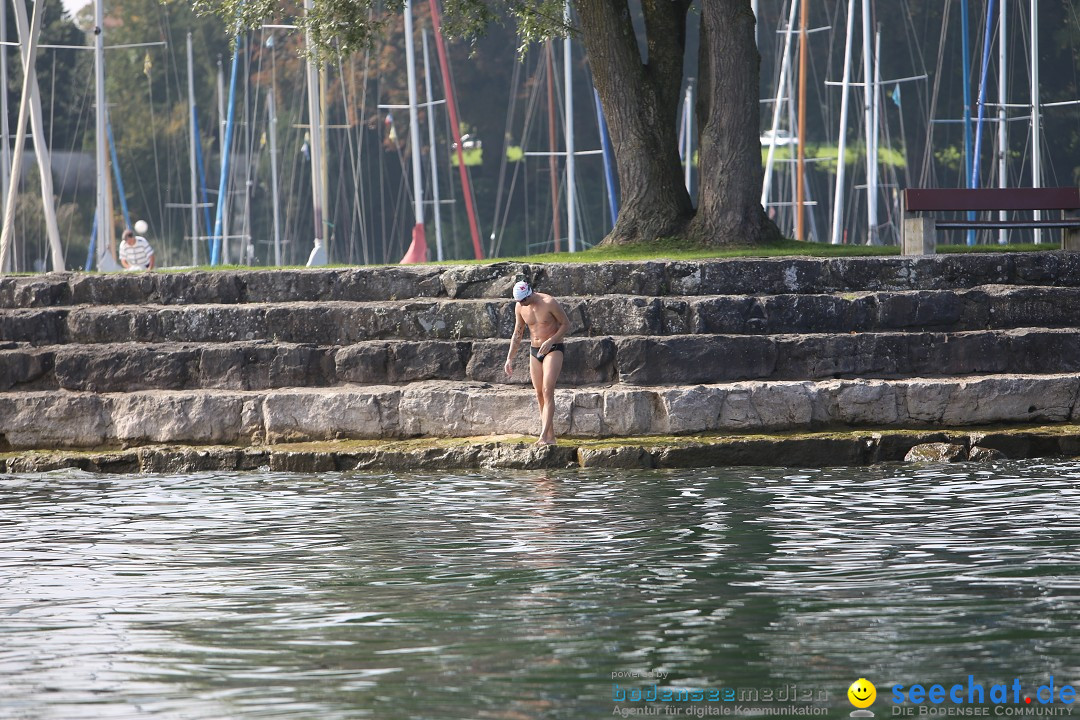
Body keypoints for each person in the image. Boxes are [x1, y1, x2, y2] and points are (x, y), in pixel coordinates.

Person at [504, 280, 570, 445]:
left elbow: (566, 324)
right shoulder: (520, 307)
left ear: (529, 294)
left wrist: (552, 340)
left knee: (548, 390)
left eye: (523, 300)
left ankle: (542, 436)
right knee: (539, 393)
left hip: (553, 348)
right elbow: (518, 332)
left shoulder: (549, 302)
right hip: (535, 351)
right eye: (518, 302)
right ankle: (550, 437)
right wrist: (509, 358)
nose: (521, 304)